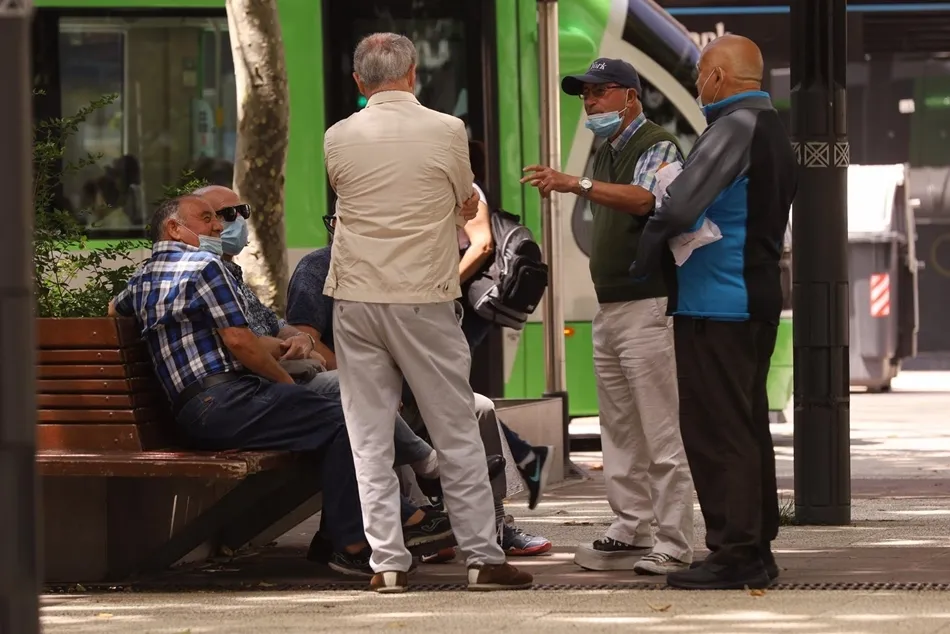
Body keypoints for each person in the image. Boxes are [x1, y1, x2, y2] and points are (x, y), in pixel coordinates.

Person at [107, 195, 448, 578]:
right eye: (207, 219)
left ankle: (362, 530)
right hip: (226, 400)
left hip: (196, 410)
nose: (219, 227)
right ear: (174, 228)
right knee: (348, 417)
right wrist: (289, 387)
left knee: (336, 421)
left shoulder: (143, 277)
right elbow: (239, 341)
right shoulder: (204, 265)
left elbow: (114, 310)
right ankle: (357, 540)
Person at [322, 32, 532, 592]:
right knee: (455, 429)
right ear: (413, 73)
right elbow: (465, 200)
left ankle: (387, 564)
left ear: (358, 82)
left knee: (368, 437)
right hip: (421, 297)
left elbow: (349, 194)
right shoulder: (447, 129)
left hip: (355, 299)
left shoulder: (338, 136)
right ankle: (483, 559)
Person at [630, 35, 796, 590]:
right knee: (745, 427)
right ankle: (755, 547)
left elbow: (678, 207)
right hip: (749, 298)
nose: (699, 83)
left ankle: (735, 552)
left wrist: (646, 245)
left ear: (719, 78)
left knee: (715, 431)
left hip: (718, 303)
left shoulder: (732, 128)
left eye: (701, 72)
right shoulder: (770, 128)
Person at [286, 210, 552, 559]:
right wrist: (363, 376)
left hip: (410, 380)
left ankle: (495, 525)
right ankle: (419, 524)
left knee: (481, 408)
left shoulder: (398, 269)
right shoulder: (316, 268)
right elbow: (305, 338)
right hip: (362, 384)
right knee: (380, 416)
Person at [521, 57, 695, 576]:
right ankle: (630, 527)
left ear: (630, 96)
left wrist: (577, 185)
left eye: (599, 94)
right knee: (619, 427)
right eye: (585, 96)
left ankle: (675, 540)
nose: (590, 104)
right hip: (613, 306)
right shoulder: (608, 150)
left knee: (660, 429)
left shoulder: (657, 144)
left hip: (648, 304)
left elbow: (646, 200)